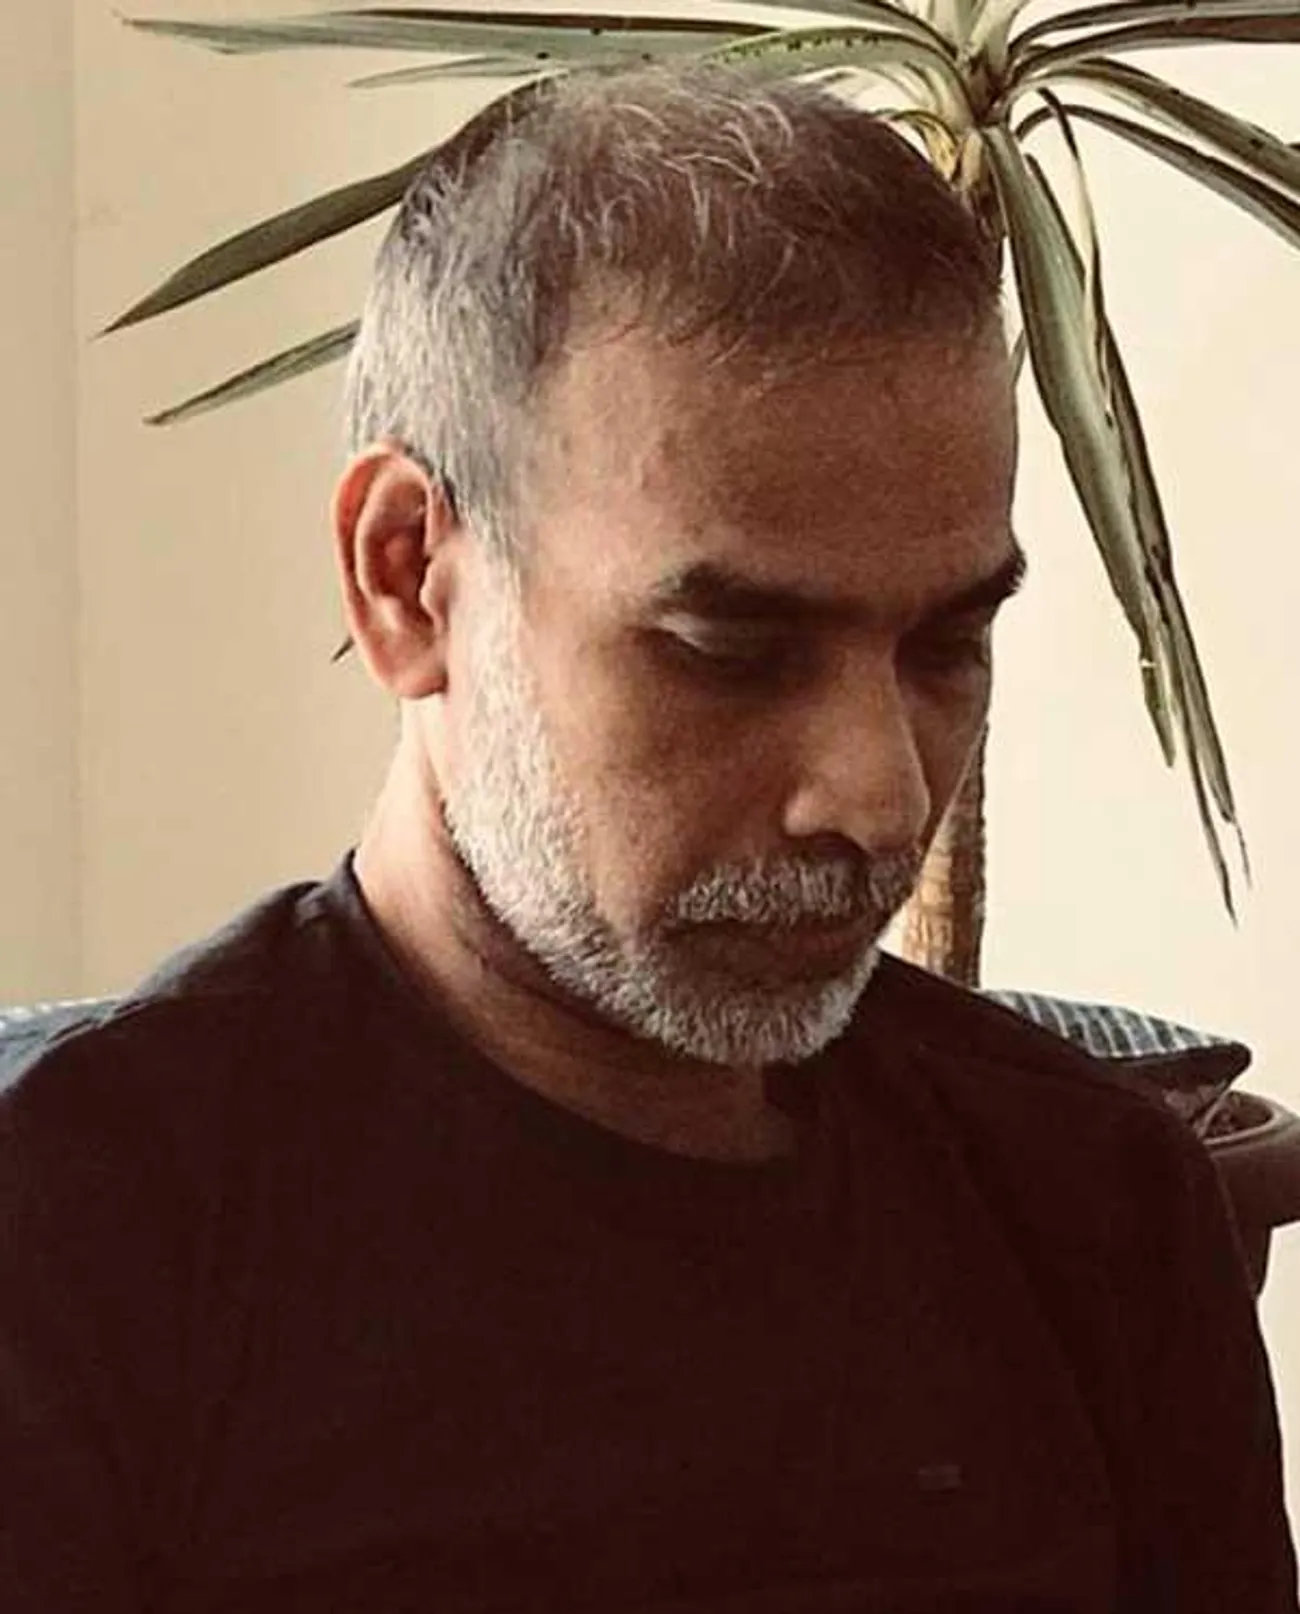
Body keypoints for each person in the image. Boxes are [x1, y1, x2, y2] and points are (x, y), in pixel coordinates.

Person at [2, 63, 1294, 1614]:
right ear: (409, 576)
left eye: (947, 644)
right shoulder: (75, 1233)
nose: (879, 797)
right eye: (729, 650)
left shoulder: (1100, 1205)